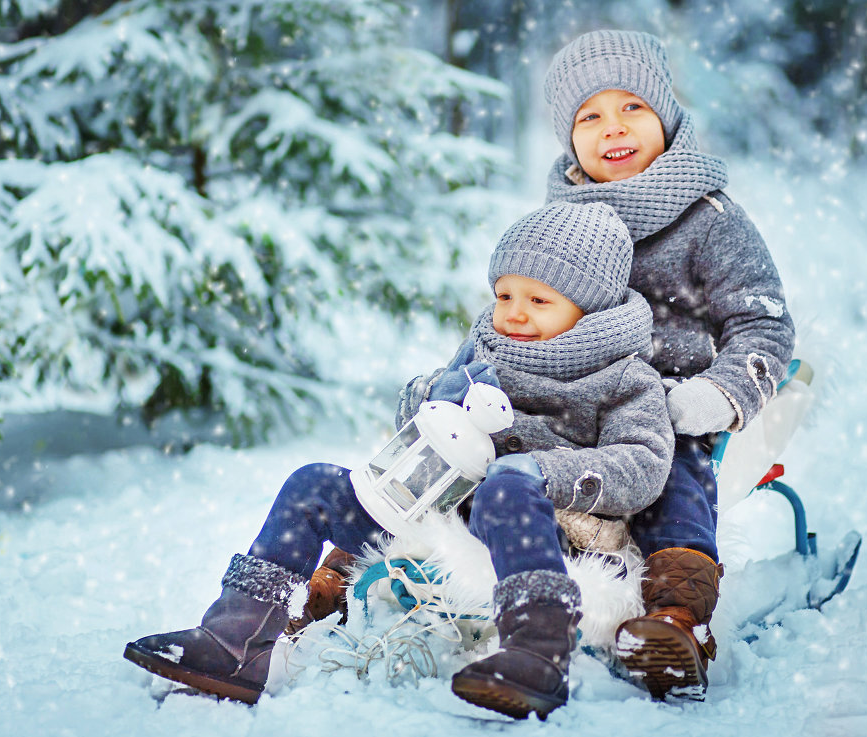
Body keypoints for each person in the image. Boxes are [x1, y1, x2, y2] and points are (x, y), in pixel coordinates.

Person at [123, 202, 674, 720]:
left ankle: (537, 652)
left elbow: (646, 462)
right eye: (505, 295)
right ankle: (233, 641)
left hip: (537, 536)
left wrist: (546, 472)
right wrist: (435, 395)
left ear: (591, 308)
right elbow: (418, 426)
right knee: (313, 483)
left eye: (538, 300)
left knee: (508, 481)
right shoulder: (483, 352)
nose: (513, 314)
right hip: (432, 517)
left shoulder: (622, 377)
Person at [541, 29, 797, 701]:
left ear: (665, 116)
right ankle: (506, 583)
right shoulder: (559, 223)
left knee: (672, 473)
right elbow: (521, 308)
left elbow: (762, 324)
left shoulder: (709, 219)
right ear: (569, 139)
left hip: (667, 404)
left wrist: (715, 394)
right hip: (571, 405)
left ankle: (676, 616)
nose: (612, 128)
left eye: (630, 108)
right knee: (508, 466)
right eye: (589, 116)